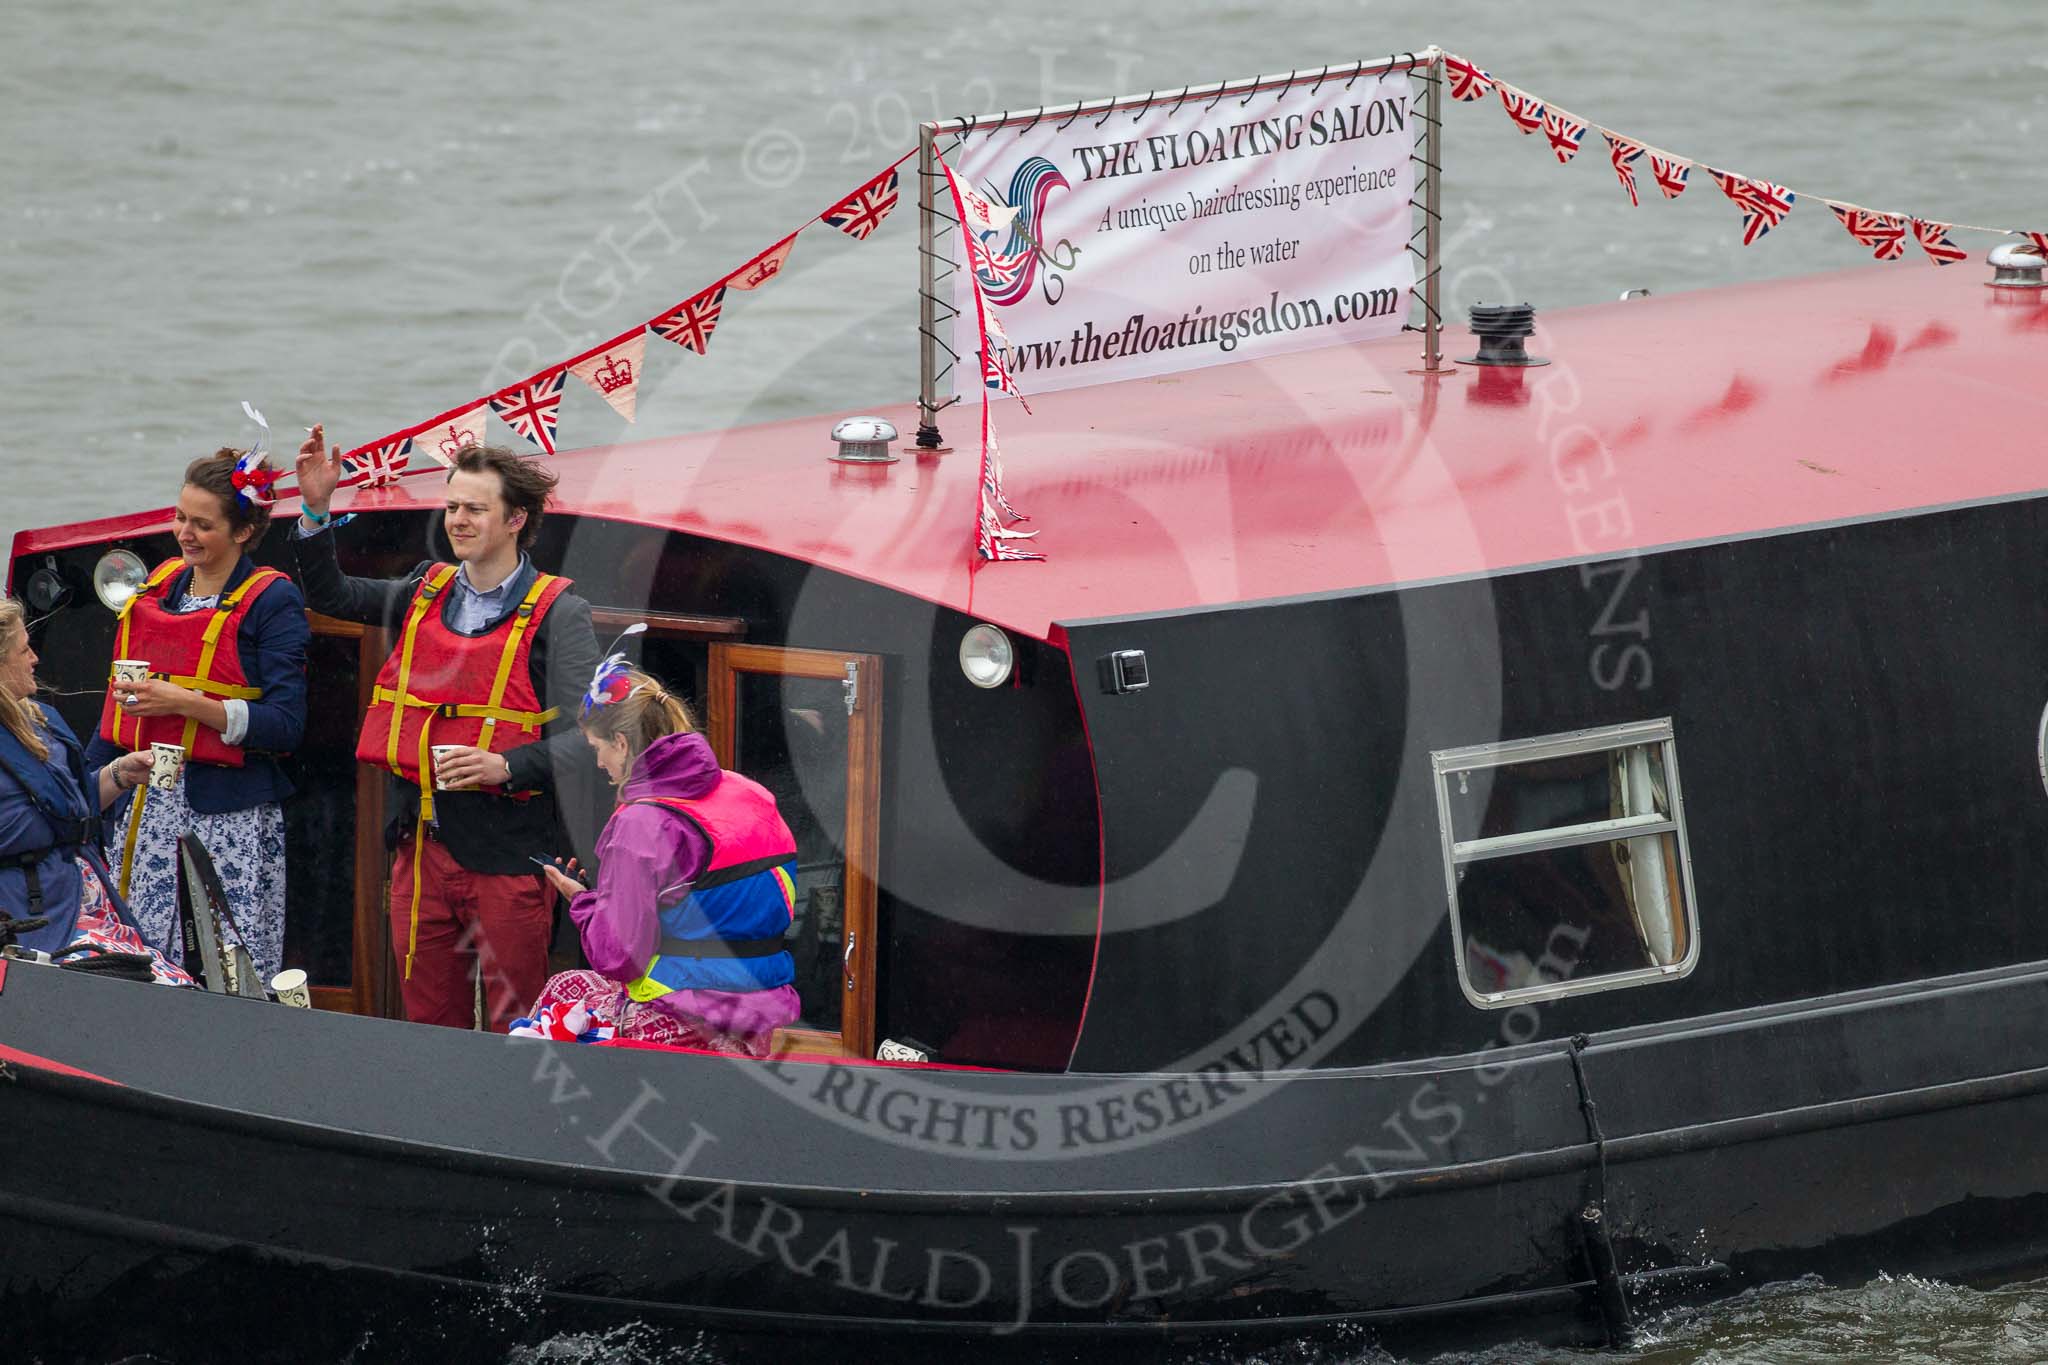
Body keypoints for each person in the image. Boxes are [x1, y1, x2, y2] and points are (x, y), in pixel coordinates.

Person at [292, 427, 600, 1031]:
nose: (457, 520)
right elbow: (331, 593)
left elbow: (596, 738)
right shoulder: (422, 591)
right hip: (419, 849)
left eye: (474, 509)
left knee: (521, 1028)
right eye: (452, 506)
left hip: (510, 857)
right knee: (429, 1024)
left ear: (516, 519)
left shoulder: (562, 614)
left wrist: (507, 766)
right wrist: (315, 510)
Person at [84, 449, 309, 982]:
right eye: (181, 517)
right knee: (135, 962)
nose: (185, 533)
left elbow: (286, 724)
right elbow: (114, 713)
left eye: (203, 524)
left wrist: (186, 703)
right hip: (143, 811)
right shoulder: (156, 590)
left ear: (244, 530)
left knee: (224, 967)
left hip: (226, 817)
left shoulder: (273, 601)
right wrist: (83, 791)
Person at [522, 660, 801, 1057]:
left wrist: (584, 903)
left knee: (561, 992)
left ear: (620, 742)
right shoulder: (747, 791)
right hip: (759, 1004)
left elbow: (618, 957)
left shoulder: (640, 823)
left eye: (597, 749)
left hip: (683, 1009)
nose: (599, 764)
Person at [0, 599, 191, 984]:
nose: (36, 658)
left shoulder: (39, 720)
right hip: (34, 914)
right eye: (24, 650)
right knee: (158, 993)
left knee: (182, 988)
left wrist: (120, 774)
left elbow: (73, 814)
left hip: (86, 898)